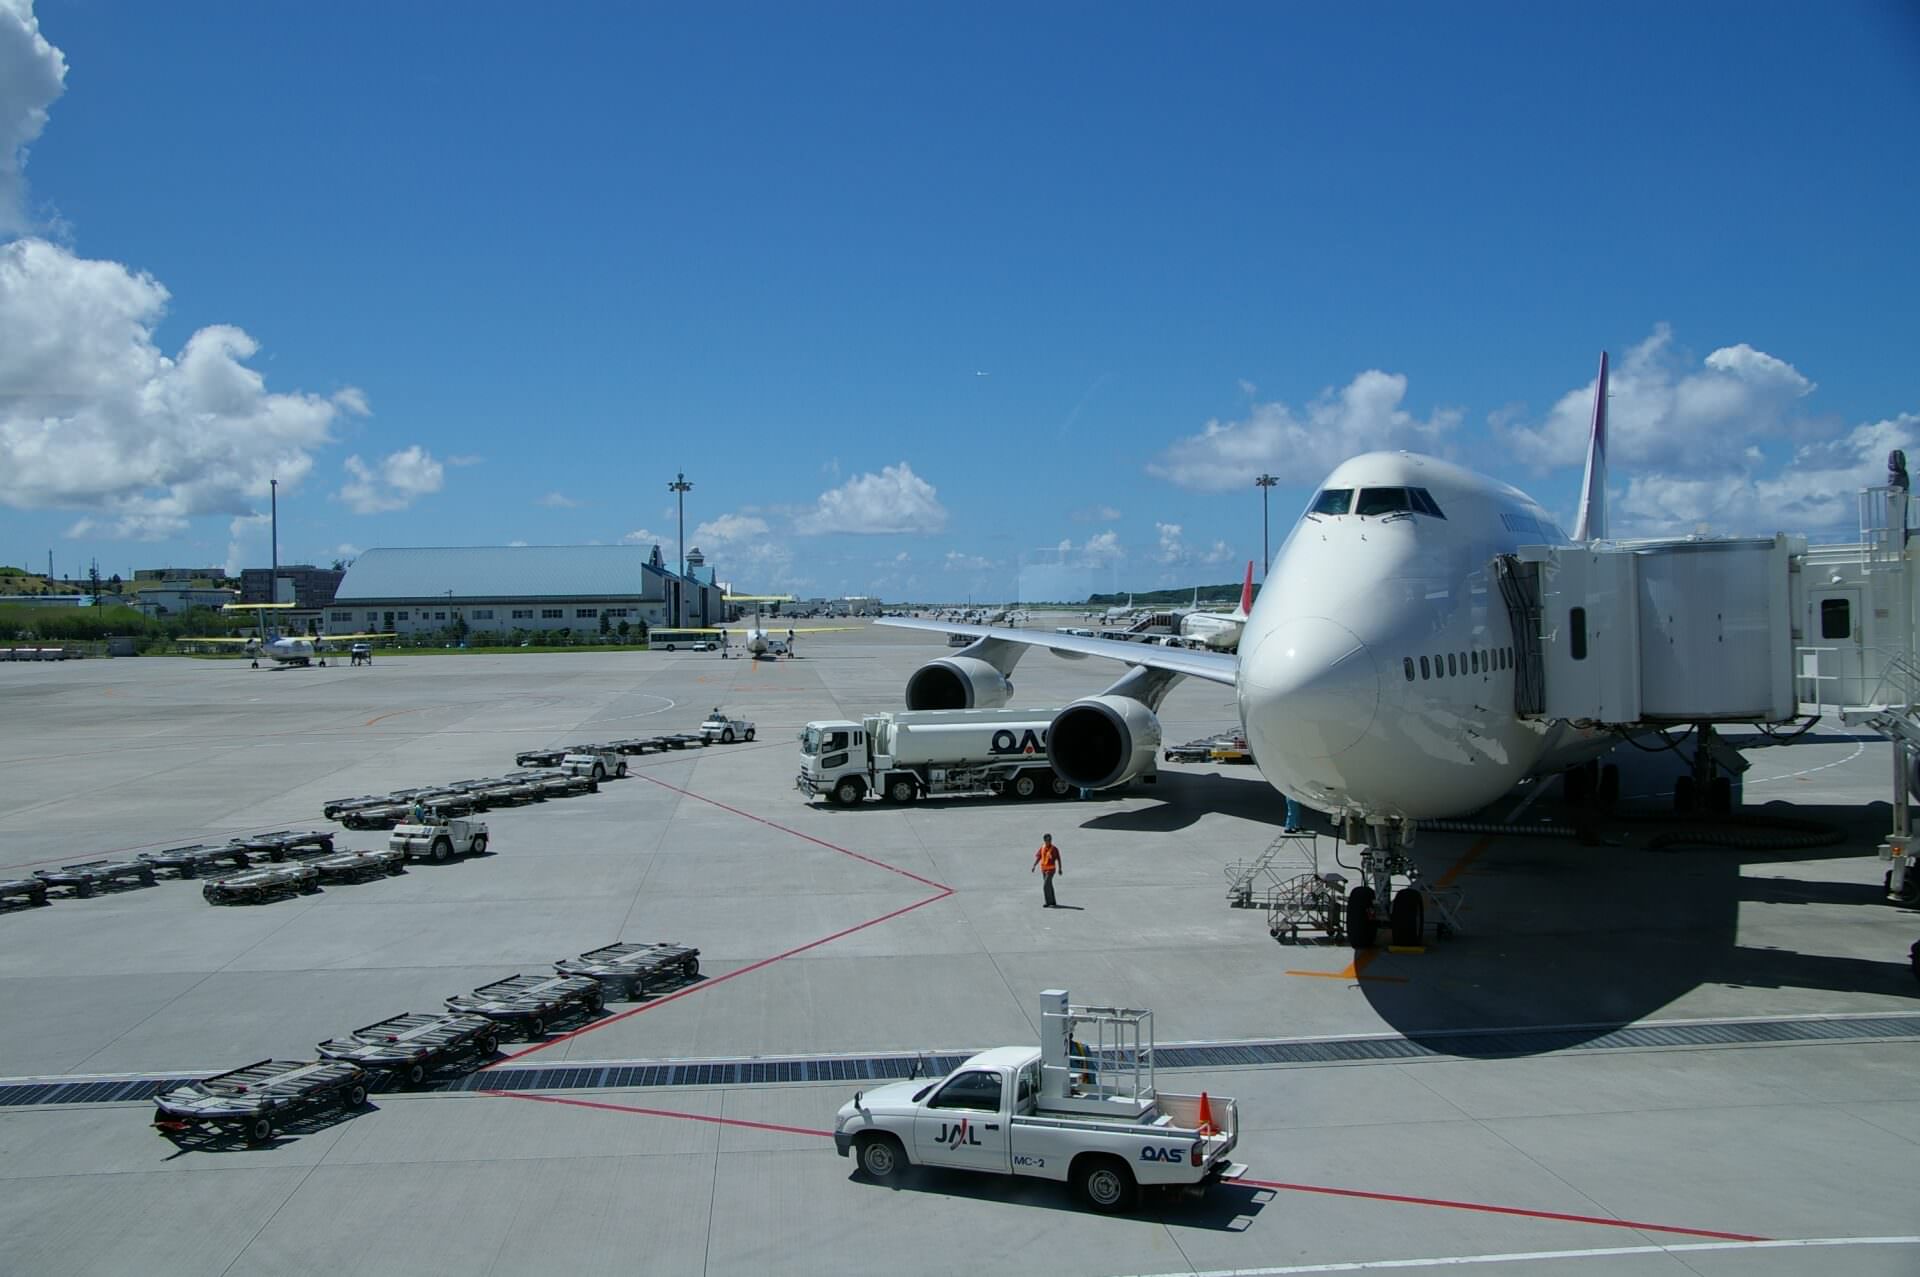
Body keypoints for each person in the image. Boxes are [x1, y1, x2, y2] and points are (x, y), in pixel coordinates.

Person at [1032, 833, 1063, 907]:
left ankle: (1048, 902)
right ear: (1044, 840)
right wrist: (1034, 865)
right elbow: (1039, 857)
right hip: (1044, 870)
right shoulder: (1042, 848)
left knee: (1045, 886)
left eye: (1050, 840)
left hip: (1051, 870)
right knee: (1049, 885)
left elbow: (1058, 859)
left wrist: (1060, 869)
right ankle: (1053, 902)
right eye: (1048, 840)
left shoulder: (1054, 849)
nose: (1049, 841)